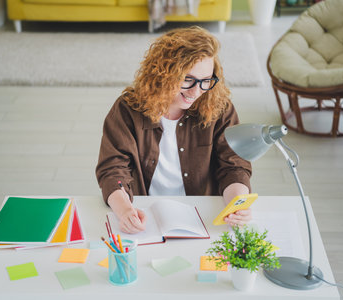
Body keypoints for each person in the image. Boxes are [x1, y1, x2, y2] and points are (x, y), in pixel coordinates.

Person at [95, 26, 252, 234]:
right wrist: (124, 211)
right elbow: (112, 170)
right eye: (188, 79)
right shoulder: (128, 109)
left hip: (203, 214)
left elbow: (233, 166)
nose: (196, 91)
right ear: (164, 72)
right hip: (145, 212)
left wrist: (237, 205)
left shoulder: (220, 108)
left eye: (206, 81)